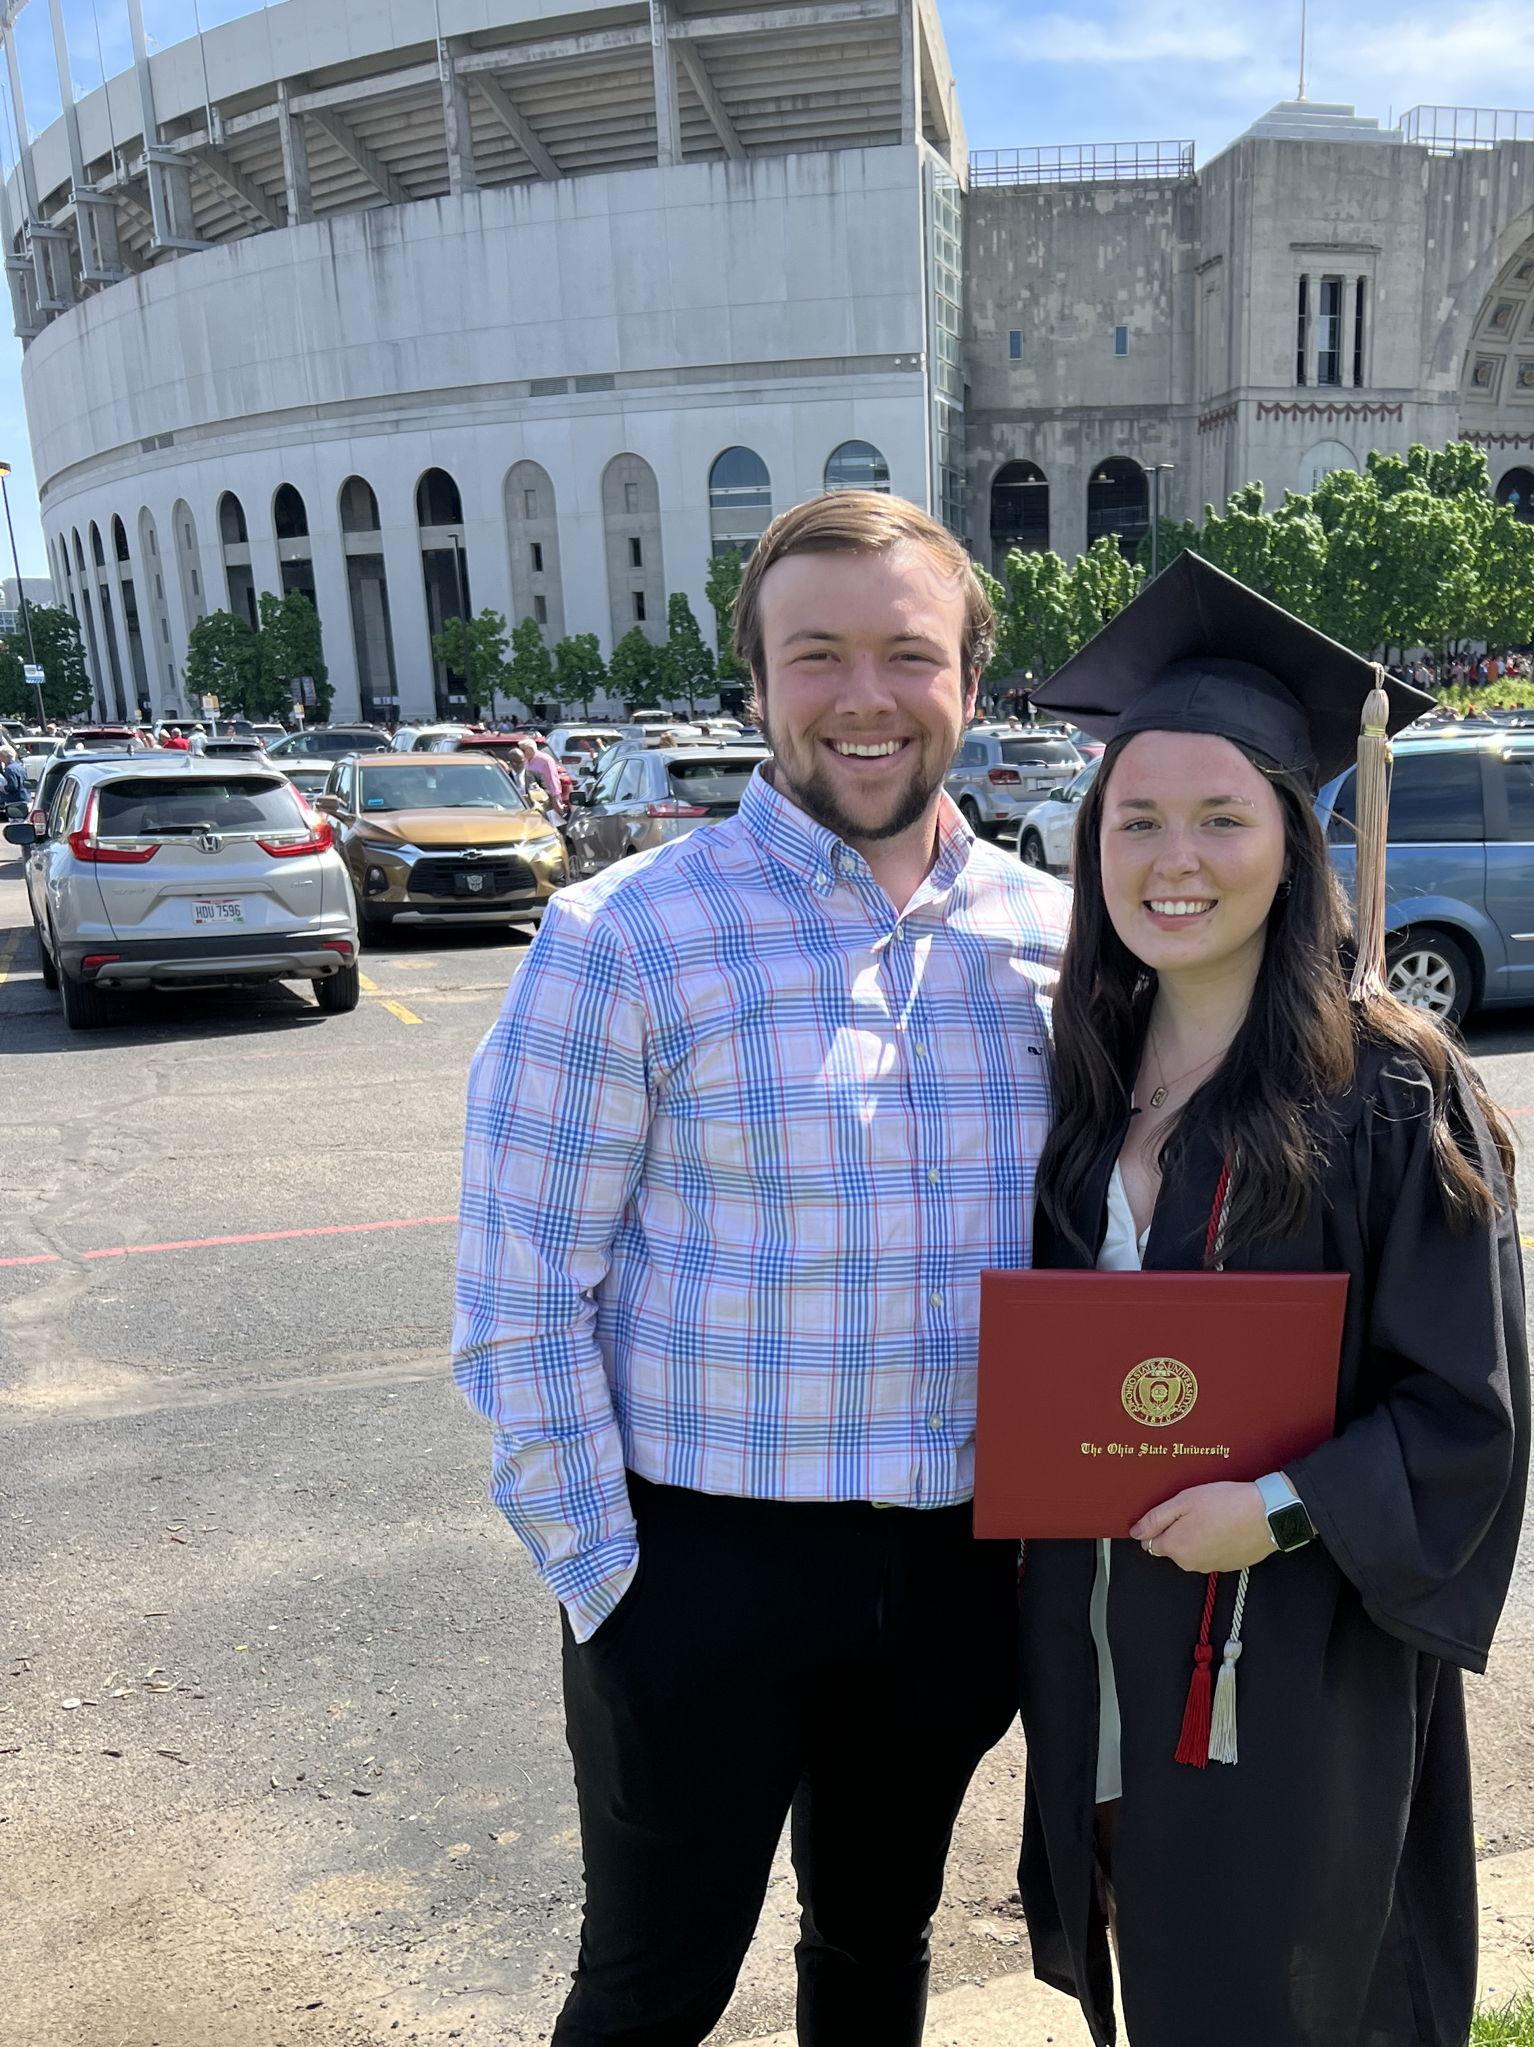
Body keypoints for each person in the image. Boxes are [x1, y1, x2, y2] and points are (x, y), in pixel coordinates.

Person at [452, 491, 1069, 2047]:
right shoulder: (625, 940)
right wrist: (609, 1580)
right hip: (697, 1568)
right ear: (759, 684)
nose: (865, 697)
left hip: (951, 1575)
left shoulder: (1059, 943)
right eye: (818, 655)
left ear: (972, 684)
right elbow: (521, 1294)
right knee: (654, 1984)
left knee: (879, 1941)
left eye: (908, 654)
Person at [1017, 553, 1530, 2047]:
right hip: (1105, 1637)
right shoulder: (1081, 1080)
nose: (1175, 857)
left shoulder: (1387, 1090)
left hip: (1290, 1662)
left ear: (1295, 835)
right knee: (1160, 1971)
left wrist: (1285, 1505)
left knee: (1302, 1985)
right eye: (1138, 818)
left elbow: (1464, 1415)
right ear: (1093, 842)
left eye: (1223, 816)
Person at [515, 733, 568, 818]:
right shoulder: (526, 760)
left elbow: (553, 779)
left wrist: (555, 799)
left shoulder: (544, 760)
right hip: (530, 798)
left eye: (523, 751)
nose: (521, 753)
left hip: (545, 798)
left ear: (530, 749)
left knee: (551, 819)